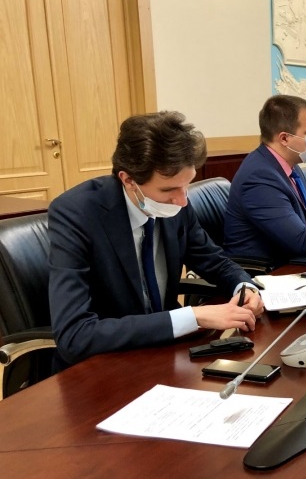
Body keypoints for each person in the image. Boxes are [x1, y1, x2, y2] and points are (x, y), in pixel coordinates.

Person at [48, 111, 264, 369]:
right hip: (106, 365)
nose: (182, 200)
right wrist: (193, 316)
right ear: (128, 180)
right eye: (169, 189)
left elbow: (215, 261)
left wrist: (244, 287)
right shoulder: (76, 214)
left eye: (187, 185)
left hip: (166, 354)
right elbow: (74, 336)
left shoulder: (176, 205)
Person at [224, 95, 306, 267]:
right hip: (267, 271)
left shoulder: (290, 167)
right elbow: (299, 239)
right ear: (284, 139)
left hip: (293, 260)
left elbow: (305, 222)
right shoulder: (259, 177)